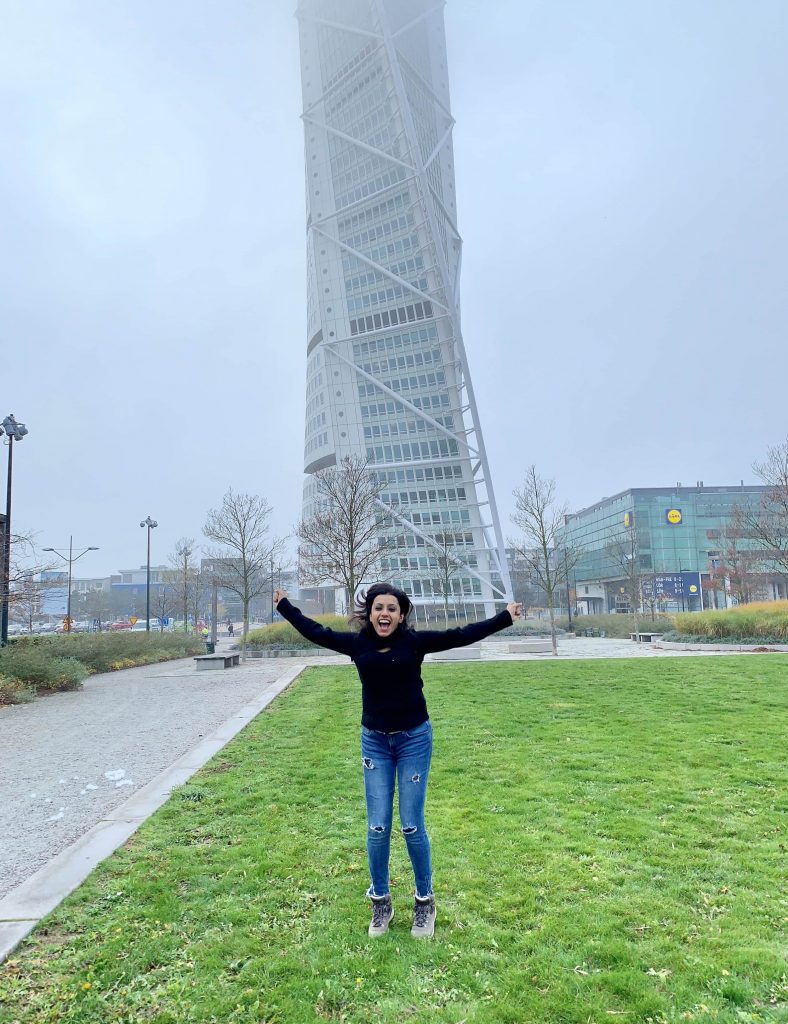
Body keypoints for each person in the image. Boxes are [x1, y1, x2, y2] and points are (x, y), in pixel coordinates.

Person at [273, 583, 521, 939]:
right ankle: (381, 902)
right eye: (378, 608)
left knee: (411, 824)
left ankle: (424, 902)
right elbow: (316, 632)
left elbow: (462, 635)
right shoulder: (357, 645)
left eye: (391, 608)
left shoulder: (414, 643)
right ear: (369, 613)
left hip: (414, 741)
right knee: (377, 826)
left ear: (402, 615)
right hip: (375, 743)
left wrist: (504, 618)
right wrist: (285, 607)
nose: (384, 613)